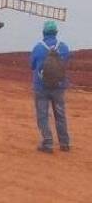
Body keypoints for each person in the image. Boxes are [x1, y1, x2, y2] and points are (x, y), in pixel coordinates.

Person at [30, 21, 71, 153]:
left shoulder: (38, 47)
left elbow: (32, 65)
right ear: (56, 33)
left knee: (43, 115)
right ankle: (64, 143)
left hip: (41, 87)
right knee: (60, 114)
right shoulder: (63, 47)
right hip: (59, 86)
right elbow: (65, 63)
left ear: (43, 33)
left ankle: (47, 143)